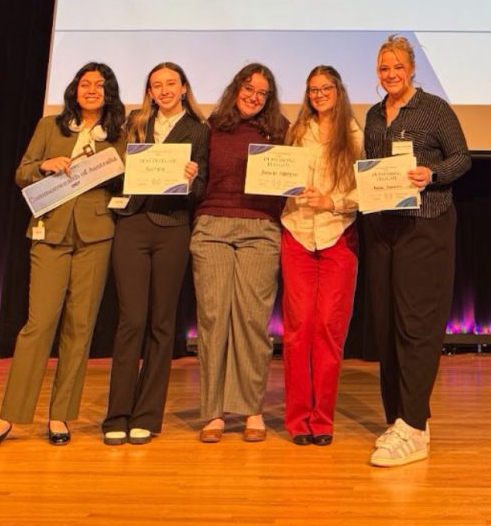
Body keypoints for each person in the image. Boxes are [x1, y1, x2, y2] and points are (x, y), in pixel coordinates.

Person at [0, 62, 126, 448]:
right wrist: (45, 165)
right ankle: (9, 416)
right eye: (85, 83)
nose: (91, 89)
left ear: (109, 92)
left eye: (99, 84)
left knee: (80, 328)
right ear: (74, 90)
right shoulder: (50, 126)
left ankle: (60, 415)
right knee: (38, 324)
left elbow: (131, 178)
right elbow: (22, 172)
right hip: (50, 233)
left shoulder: (119, 135)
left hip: (96, 235)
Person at [362, 34, 470, 467]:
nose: (391, 75)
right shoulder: (373, 115)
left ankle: (414, 424)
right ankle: (403, 421)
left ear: (411, 70)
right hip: (382, 228)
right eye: (384, 68)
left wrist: (433, 173)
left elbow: (462, 158)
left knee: (416, 327)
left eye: (398, 68)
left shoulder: (434, 109)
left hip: (426, 225)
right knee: (387, 326)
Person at [102, 62, 208, 445]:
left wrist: (193, 179)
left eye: (170, 84)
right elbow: (115, 169)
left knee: (162, 325)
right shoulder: (135, 123)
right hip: (131, 225)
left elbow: (202, 189)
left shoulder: (199, 130)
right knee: (131, 321)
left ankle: (147, 415)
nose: (163, 90)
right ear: (149, 91)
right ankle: (117, 414)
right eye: (155, 85)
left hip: (172, 229)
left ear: (183, 88)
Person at [190, 63, 289, 443]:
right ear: (236, 88)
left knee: (251, 321)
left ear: (269, 98)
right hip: (212, 226)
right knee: (214, 318)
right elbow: (199, 179)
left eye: (262, 92)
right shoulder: (211, 127)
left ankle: (251, 409)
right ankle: (214, 413)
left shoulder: (280, 131)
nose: (253, 96)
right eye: (248, 88)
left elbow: (290, 181)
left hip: (260, 229)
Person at [281, 65, 363, 446]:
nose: (318, 95)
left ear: (338, 89)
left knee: (329, 330)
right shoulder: (296, 133)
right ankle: (298, 420)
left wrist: (333, 202)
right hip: (297, 233)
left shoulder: (355, 136)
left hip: (338, 237)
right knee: (299, 330)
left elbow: (368, 192)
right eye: (312, 89)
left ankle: (322, 419)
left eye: (325, 88)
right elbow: (277, 179)